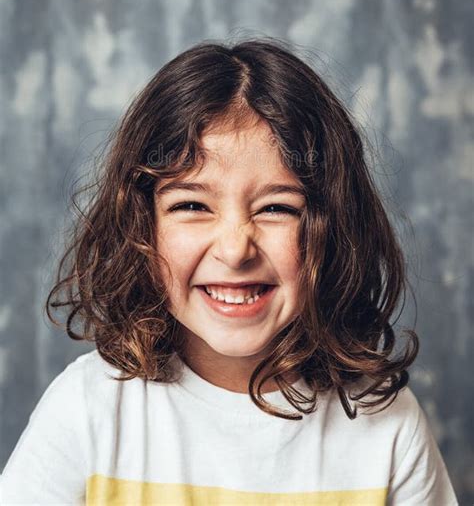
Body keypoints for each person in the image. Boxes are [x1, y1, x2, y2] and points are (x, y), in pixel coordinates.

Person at [1, 38, 458, 505]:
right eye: (192, 205)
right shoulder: (88, 409)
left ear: (334, 230)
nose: (236, 249)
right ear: (141, 225)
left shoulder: (389, 426)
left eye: (277, 207)